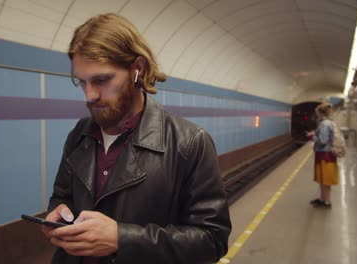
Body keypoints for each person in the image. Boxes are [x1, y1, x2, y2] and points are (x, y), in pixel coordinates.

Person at [41, 13, 231, 264]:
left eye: (102, 80)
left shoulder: (189, 143)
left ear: (137, 69)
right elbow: (62, 196)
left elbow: (212, 240)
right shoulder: (80, 135)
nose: (90, 95)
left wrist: (122, 238)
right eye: (82, 82)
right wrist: (57, 215)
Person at [307, 103, 338, 208]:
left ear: (321, 113)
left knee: (325, 179)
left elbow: (323, 141)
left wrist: (313, 137)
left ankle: (327, 202)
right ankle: (322, 198)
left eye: (317, 113)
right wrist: (315, 133)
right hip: (323, 154)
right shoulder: (328, 123)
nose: (316, 115)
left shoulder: (324, 124)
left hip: (326, 155)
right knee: (322, 178)